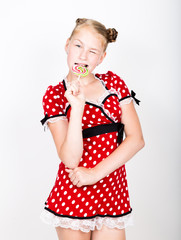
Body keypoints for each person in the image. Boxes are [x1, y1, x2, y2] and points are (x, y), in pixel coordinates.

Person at [40, 18, 145, 240]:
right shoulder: (55, 95)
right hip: (74, 191)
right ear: (67, 45)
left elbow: (136, 140)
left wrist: (95, 174)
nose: (82, 56)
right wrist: (77, 108)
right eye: (78, 46)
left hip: (111, 191)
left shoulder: (114, 84)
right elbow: (70, 159)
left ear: (101, 58)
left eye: (92, 51)